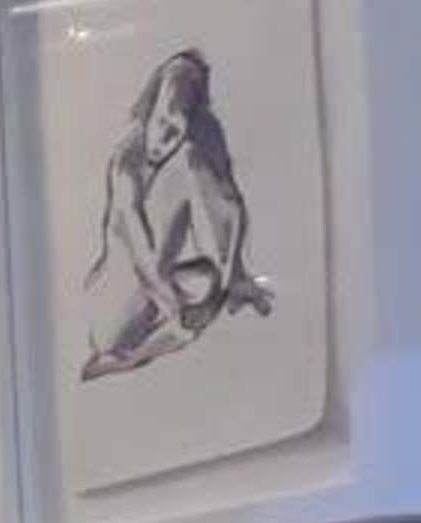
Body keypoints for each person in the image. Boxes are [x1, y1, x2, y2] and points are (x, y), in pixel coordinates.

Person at [80, 46, 275, 380]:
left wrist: (233, 275)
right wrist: (174, 308)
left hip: (153, 296)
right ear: (147, 111)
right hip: (110, 309)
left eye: (177, 128)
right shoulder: (127, 159)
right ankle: (128, 357)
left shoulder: (198, 138)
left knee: (209, 284)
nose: (163, 139)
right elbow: (140, 252)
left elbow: (228, 203)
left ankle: (138, 352)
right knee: (189, 160)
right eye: (161, 122)